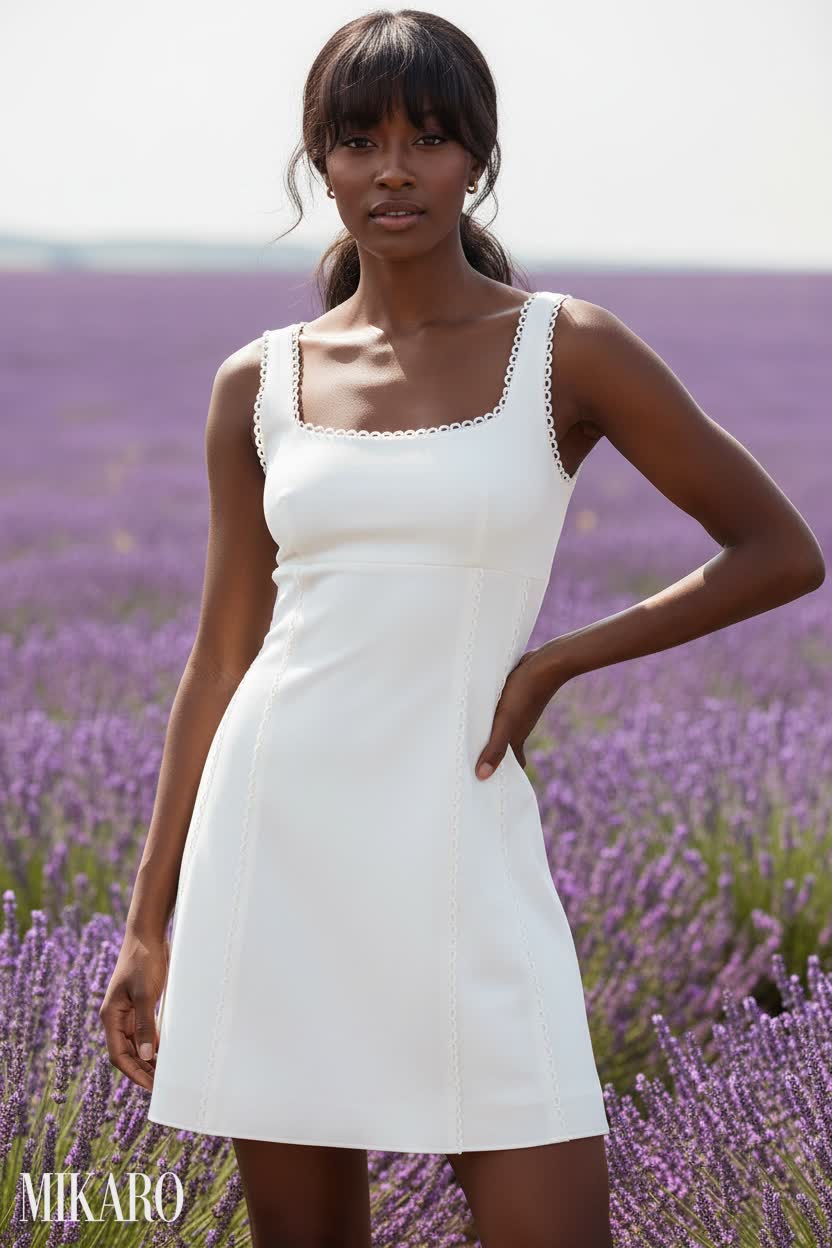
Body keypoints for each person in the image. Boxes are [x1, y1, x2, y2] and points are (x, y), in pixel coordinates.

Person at [99, 9, 825, 1248]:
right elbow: (223, 656)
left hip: (457, 835)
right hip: (274, 842)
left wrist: (551, 664)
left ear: (476, 159)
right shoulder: (258, 380)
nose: (392, 169)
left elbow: (780, 551)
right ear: (316, 163)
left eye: (429, 138)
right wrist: (147, 918)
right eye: (358, 139)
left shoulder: (565, 348)